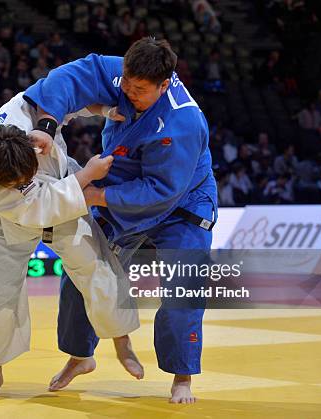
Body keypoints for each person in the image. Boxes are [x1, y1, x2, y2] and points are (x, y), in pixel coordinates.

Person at [24, 37, 217, 403]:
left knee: (184, 290)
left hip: (182, 205)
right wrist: (47, 127)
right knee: (82, 269)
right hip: (120, 185)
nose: (129, 93)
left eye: (140, 90)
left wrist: (93, 194)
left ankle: (182, 377)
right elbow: (68, 77)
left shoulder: (183, 122)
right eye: (126, 84)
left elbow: (163, 190)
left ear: (164, 84)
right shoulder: (124, 75)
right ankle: (81, 355)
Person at [0, 92, 143, 398]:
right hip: (4, 224)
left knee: (97, 266)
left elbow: (62, 96)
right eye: (17, 179)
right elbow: (40, 206)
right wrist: (87, 175)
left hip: (62, 186)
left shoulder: (22, 111)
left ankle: (123, 344)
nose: (24, 178)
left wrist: (104, 110)